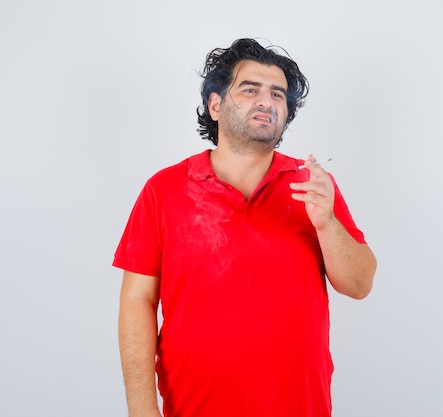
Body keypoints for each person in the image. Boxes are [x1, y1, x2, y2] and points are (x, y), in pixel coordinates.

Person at [114, 38, 377, 417]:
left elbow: (360, 284)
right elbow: (137, 300)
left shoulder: (314, 187)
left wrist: (327, 223)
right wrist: (141, 409)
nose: (266, 102)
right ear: (216, 104)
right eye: (249, 89)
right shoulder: (164, 189)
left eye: (277, 94)